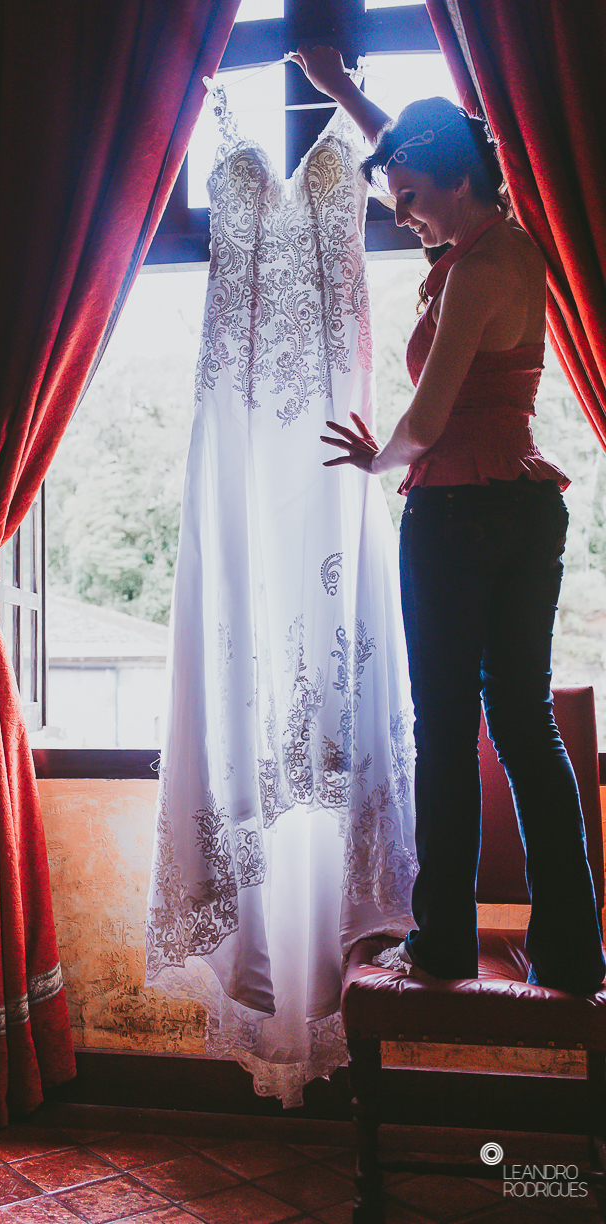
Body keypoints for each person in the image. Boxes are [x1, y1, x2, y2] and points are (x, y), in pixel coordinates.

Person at [291, 47, 605, 994]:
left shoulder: (473, 276)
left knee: (446, 727)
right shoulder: (504, 245)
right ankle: (570, 949)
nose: (401, 209)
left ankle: (442, 944)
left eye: (411, 193)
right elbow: (419, 145)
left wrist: (372, 457)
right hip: (523, 508)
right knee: (524, 724)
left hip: (457, 510)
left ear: (457, 180)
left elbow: (426, 420)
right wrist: (348, 93)